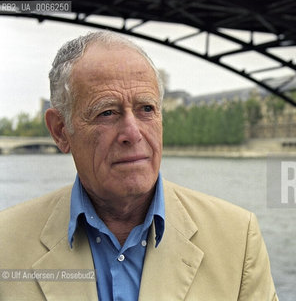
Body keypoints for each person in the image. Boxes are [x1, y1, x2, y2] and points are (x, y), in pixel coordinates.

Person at [0, 31, 278, 300]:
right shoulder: (5, 243)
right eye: (107, 112)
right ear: (60, 130)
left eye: (146, 109)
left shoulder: (238, 238)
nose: (133, 133)